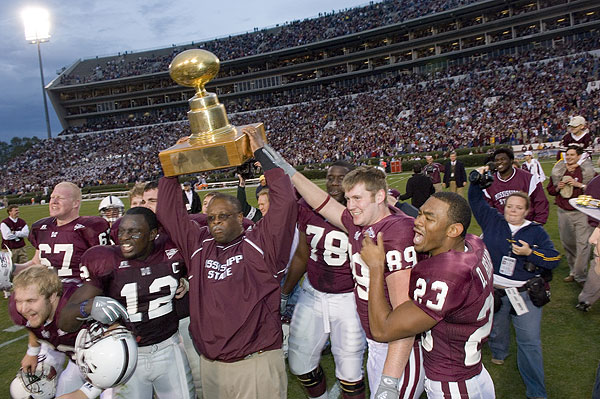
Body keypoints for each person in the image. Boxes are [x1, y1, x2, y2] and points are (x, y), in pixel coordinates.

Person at [264, 149, 424, 399]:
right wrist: (283, 166)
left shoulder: (396, 231)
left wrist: (390, 381)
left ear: (380, 196)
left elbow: (404, 314)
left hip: (393, 341)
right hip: (374, 334)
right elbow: (323, 204)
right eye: (349, 199)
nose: (351, 206)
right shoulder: (356, 221)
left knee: (361, 378)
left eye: (357, 198)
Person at [155, 126, 297, 399]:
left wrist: (261, 154)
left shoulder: (261, 243)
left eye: (223, 216)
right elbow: (168, 213)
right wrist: (172, 165)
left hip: (254, 362)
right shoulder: (200, 246)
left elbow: (285, 203)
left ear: (240, 216)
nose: (216, 223)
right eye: (211, 218)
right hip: (212, 365)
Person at [360, 192, 496, 399]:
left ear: (453, 230)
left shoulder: (446, 276)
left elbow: (382, 329)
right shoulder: (474, 244)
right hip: (475, 374)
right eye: (420, 213)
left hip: (453, 386)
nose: (418, 221)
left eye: (428, 218)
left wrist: (377, 267)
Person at [58, 207, 196, 399]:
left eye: (134, 232)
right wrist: (87, 307)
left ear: (153, 234)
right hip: (127, 355)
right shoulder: (107, 261)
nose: (124, 237)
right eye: (122, 231)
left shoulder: (172, 250)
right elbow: (64, 321)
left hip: (169, 348)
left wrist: (187, 281)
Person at [470, 170, 560, 399]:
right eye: (510, 206)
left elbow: (554, 258)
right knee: (497, 328)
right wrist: (476, 184)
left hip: (524, 293)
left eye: (519, 208)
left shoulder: (535, 231)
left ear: (527, 210)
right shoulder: (494, 220)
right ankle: (499, 351)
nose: (513, 211)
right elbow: (476, 201)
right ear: (504, 207)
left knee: (529, 342)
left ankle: (536, 392)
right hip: (496, 291)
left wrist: (531, 253)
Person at [283, 161, 367, 399]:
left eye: (340, 178)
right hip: (313, 293)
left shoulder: (361, 211)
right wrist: (285, 291)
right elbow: (301, 253)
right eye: (330, 177)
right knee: (299, 364)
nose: (333, 183)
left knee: (350, 373)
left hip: (349, 298)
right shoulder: (308, 206)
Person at [10, 265, 104, 398]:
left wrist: (85, 393)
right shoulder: (20, 310)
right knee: (24, 389)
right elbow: (32, 325)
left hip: (116, 362)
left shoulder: (78, 310)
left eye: (31, 300)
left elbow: (117, 358)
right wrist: (32, 351)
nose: (23, 309)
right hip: (79, 360)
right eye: (19, 301)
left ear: (53, 296)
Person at [17, 182, 110, 284]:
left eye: (60, 198)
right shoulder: (41, 227)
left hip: (78, 291)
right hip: (48, 291)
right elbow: (36, 263)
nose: (54, 201)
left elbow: (104, 269)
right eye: (52, 197)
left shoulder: (89, 228)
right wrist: (10, 269)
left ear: (75, 203)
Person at [547, 145, 595, 283]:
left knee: (583, 244)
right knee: (568, 243)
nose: (569, 158)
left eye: (572, 155)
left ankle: (580, 275)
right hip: (563, 212)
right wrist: (558, 187)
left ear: (579, 156)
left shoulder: (586, 172)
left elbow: (594, 189)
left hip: (581, 212)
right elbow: (550, 190)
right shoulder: (559, 171)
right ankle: (573, 271)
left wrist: (578, 185)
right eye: (567, 155)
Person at [483, 147, 549, 224]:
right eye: (496, 160)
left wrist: (538, 222)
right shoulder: (489, 182)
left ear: (511, 161)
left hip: (526, 226)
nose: (499, 162)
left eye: (503, 159)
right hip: (502, 228)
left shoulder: (529, 179)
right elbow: (488, 207)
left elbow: (541, 201)